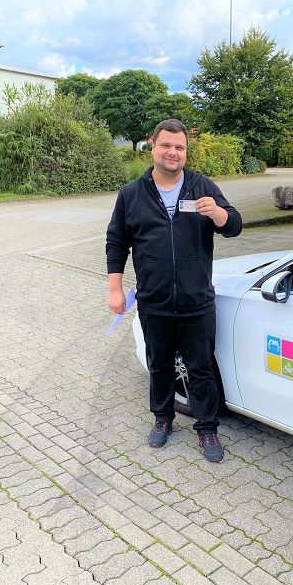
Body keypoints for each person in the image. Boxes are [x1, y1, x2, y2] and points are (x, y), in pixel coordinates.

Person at [105, 119, 242, 463]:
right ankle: (163, 419)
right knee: (160, 365)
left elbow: (235, 226)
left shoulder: (201, 186)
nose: (173, 152)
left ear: (185, 151)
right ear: (153, 146)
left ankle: (207, 427)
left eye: (179, 147)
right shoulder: (132, 194)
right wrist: (115, 289)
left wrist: (219, 214)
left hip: (197, 301)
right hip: (155, 301)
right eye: (166, 145)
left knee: (201, 368)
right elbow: (116, 242)